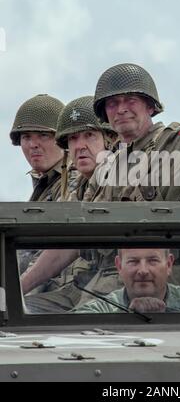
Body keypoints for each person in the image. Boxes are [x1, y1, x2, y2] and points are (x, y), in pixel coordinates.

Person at [85, 57, 180, 202]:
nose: (121, 109)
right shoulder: (105, 169)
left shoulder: (173, 142)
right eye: (112, 104)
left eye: (131, 100)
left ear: (150, 107)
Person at [22, 95, 119, 312]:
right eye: (73, 139)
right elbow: (61, 246)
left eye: (89, 136)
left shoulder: (120, 175)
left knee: (80, 320)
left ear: (109, 140)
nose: (80, 146)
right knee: (20, 310)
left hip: (120, 275)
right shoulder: (83, 185)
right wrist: (15, 290)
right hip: (84, 281)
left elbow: (68, 245)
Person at [10, 94, 72, 278]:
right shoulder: (46, 184)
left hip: (60, 286)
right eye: (26, 136)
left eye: (43, 135)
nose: (33, 145)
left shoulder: (74, 180)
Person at [75, 248, 180, 314]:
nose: (143, 270)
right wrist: (127, 315)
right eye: (133, 261)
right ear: (119, 266)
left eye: (153, 261)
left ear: (169, 264)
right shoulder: (100, 311)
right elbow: (71, 333)